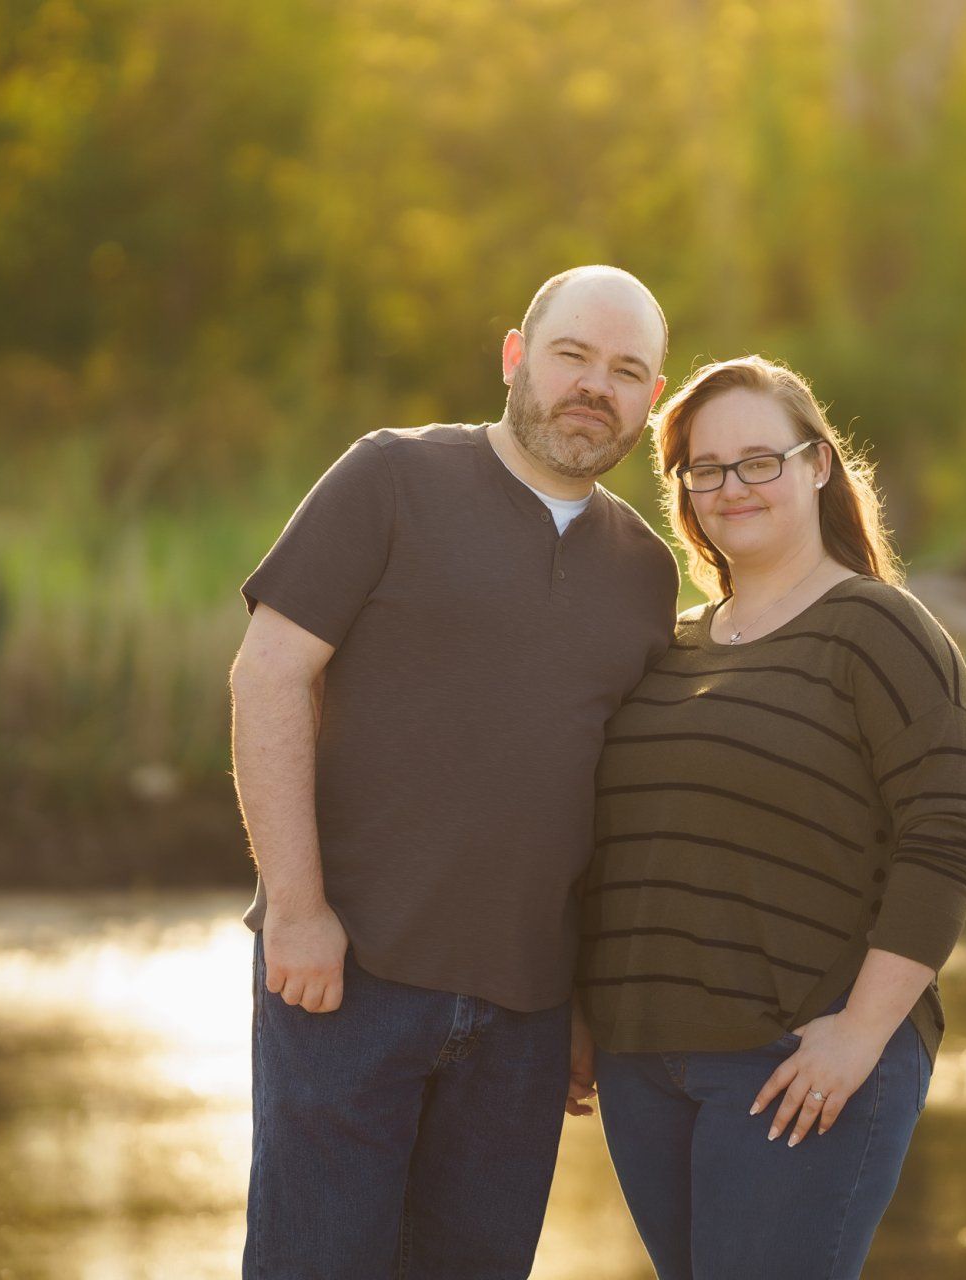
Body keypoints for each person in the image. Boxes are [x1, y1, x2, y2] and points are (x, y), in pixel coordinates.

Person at [228, 265, 679, 1279]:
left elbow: (610, 801)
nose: (594, 385)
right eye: (572, 354)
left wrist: (581, 999)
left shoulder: (646, 573)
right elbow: (268, 675)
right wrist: (295, 909)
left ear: (652, 398)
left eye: (625, 371)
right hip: (348, 980)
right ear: (516, 356)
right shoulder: (390, 478)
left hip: (525, 1017)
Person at [580, 355, 966, 1280]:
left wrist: (860, 1033)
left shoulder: (880, 631)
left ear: (817, 466)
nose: (732, 487)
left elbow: (950, 833)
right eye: (706, 468)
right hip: (643, 1063)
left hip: (795, 1060)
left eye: (759, 461)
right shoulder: (667, 646)